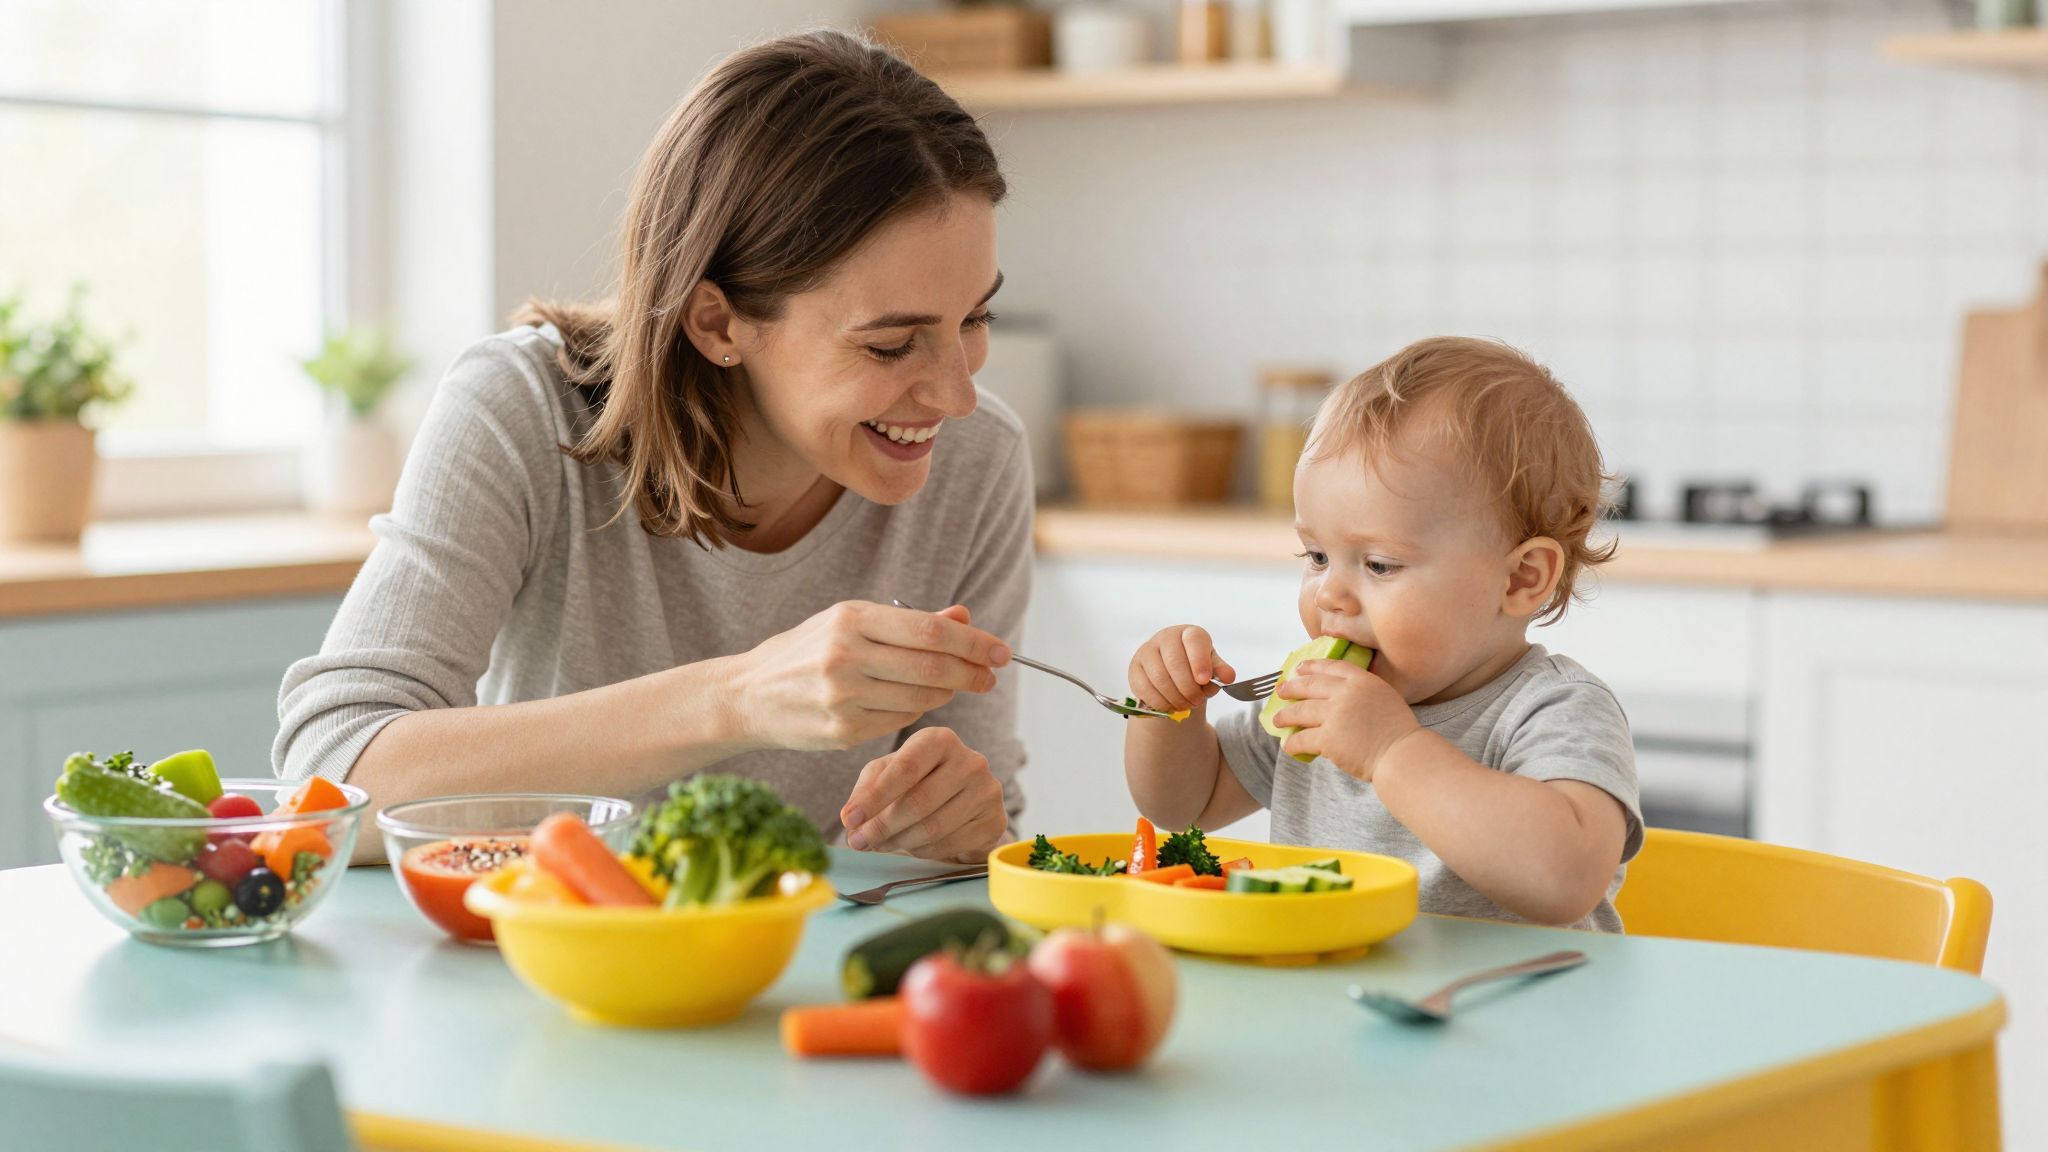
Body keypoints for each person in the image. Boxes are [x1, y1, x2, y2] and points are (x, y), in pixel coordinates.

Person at [275, 30, 1032, 864]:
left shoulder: (980, 461)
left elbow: (985, 833)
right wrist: (738, 698)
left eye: (975, 319)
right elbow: (333, 775)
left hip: (802, 961)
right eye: (892, 345)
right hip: (544, 954)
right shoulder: (521, 411)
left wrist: (964, 826)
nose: (958, 394)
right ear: (718, 322)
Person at [1121, 337, 1642, 930]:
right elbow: (1186, 803)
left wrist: (1392, 752)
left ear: (1520, 578)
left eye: (1379, 565)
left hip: (1514, 1012)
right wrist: (1165, 712)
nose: (1329, 595)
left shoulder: (1554, 710)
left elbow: (1563, 879)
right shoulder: (1313, 703)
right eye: (1316, 555)